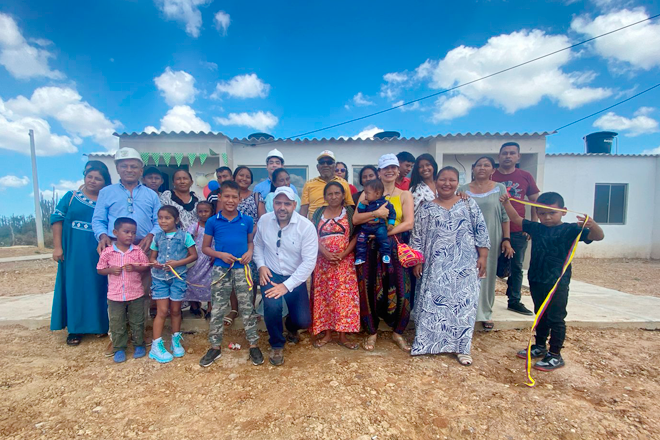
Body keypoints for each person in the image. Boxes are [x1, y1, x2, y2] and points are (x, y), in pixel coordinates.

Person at [501, 191, 604, 371]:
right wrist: (506, 203)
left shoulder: (571, 229)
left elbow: (598, 236)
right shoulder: (537, 228)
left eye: (552, 213)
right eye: (542, 213)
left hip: (558, 281)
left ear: (563, 211)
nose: (547, 217)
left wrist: (592, 225)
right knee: (540, 313)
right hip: (536, 278)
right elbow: (516, 218)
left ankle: (555, 354)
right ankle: (540, 346)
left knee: (556, 318)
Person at [411, 166, 490, 366]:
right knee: (432, 306)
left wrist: (483, 256)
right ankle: (428, 345)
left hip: (464, 266)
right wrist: (417, 260)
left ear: (458, 182)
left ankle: (462, 348)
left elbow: (481, 229)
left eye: (452, 180)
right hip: (434, 267)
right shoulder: (425, 207)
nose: (447, 183)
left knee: (463, 307)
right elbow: (417, 236)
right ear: (435, 182)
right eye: (443, 179)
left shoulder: (468, 203)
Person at [353, 153, 414, 352]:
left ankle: (398, 331)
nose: (390, 171)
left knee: (401, 289)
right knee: (368, 286)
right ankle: (372, 332)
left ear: (398, 171)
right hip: (369, 247)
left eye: (393, 168)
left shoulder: (404, 194)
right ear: (379, 172)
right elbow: (356, 219)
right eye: (385, 168)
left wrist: (387, 231)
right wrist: (375, 214)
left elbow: (409, 222)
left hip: (394, 246)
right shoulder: (366, 193)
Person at [199, 181, 263, 367]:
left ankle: (253, 344)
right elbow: (205, 248)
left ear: (240, 199)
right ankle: (215, 347)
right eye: (226, 196)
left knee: (247, 307)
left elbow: (250, 242)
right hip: (221, 269)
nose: (230, 200)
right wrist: (220, 254)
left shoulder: (247, 220)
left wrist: (250, 252)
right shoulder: (212, 221)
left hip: (242, 268)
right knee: (218, 308)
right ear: (219, 197)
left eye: (234, 197)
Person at [253, 187, 318, 366]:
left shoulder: (306, 227)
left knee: (303, 320)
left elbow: (309, 262)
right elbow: (257, 245)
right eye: (278, 203)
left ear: (294, 205)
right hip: (271, 274)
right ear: (272, 204)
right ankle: (276, 343)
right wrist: (261, 265)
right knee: (272, 306)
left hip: (295, 277)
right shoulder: (265, 220)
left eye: (287, 203)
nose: (282, 207)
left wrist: (286, 286)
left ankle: (290, 327)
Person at [51, 164, 112, 346]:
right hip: (74, 249)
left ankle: (99, 325)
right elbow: (57, 220)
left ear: (104, 181)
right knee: (75, 286)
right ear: (84, 177)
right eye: (89, 176)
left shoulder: (106, 199)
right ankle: (75, 329)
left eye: (98, 178)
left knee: (99, 285)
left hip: (98, 249)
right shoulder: (71, 197)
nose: (93, 181)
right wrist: (57, 247)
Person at [458, 156, 513, 331]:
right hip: (467, 238)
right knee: (467, 274)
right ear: (473, 168)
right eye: (479, 165)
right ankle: (467, 310)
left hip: (492, 235)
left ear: (492, 170)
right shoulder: (462, 189)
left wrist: (506, 239)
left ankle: (486, 313)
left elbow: (505, 216)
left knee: (486, 275)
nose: (482, 168)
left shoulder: (499, 189)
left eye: (486, 165)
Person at [491, 141, 540, 316]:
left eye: (512, 153)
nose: (508, 156)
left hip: (518, 228)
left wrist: (532, 223)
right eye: (505, 153)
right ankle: (486, 299)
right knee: (489, 265)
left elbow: (534, 201)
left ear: (518, 156)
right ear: (499, 156)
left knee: (517, 266)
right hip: (493, 228)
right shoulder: (490, 177)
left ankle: (514, 300)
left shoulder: (525, 176)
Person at [310, 182, 360, 349]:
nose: (333, 196)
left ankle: (343, 336)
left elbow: (356, 236)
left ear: (342, 195)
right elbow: (311, 235)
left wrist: (343, 254)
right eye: (330, 194)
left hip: (344, 264)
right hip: (322, 263)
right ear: (325, 197)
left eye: (337, 193)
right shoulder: (318, 213)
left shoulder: (350, 213)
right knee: (324, 297)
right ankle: (327, 334)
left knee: (343, 298)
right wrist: (324, 251)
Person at [96, 218, 151, 363]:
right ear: (115, 232)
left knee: (137, 321)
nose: (130, 235)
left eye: (133, 232)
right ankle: (119, 348)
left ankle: (139, 345)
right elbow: (100, 269)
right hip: (115, 296)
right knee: (116, 322)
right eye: (126, 232)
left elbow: (146, 265)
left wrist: (135, 268)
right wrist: (110, 270)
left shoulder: (138, 251)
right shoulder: (108, 252)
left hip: (136, 293)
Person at [148, 205, 198, 363]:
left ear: (176, 219)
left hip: (178, 277)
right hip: (159, 278)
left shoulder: (185, 236)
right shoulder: (156, 237)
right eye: (160, 218)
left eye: (167, 218)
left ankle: (176, 340)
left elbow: (193, 255)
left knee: (176, 310)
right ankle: (156, 346)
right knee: (162, 311)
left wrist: (178, 263)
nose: (163, 221)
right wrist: (154, 262)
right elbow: (152, 257)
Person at [92, 147, 161, 255]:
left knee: (145, 272)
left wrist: (152, 235)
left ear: (141, 171)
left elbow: (159, 222)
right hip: (114, 247)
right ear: (117, 169)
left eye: (133, 167)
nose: (129, 170)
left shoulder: (152, 195)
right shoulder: (106, 192)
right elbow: (98, 220)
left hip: (145, 247)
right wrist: (102, 236)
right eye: (124, 166)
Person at [300, 150, 354, 219]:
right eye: (322, 163)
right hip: (314, 226)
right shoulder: (309, 184)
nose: (325, 165)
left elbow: (349, 207)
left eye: (329, 162)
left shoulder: (343, 183)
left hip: (338, 226)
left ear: (334, 167)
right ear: (317, 167)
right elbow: (304, 209)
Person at [184, 201, 215, 318]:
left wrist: (216, 254)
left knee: (211, 283)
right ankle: (194, 305)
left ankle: (210, 308)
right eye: (200, 211)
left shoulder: (215, 226)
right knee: (192, 281)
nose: (203, 214)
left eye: (206, 211)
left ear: (211, 212)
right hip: (196, 259)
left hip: (210, 260)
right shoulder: (194, 226)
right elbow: (187, 241)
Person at [354, 179, 396, 265]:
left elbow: (392, 213)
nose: (365, 195)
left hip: (379, 226)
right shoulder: (367, 203)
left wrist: (391, 223)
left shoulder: (386, 203)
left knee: (383, 238)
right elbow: (360, 213)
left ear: (377, 194)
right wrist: (361, 205)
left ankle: (386, 254)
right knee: (360, 240)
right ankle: (360, 257)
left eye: (367, 193)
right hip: (366, 227)